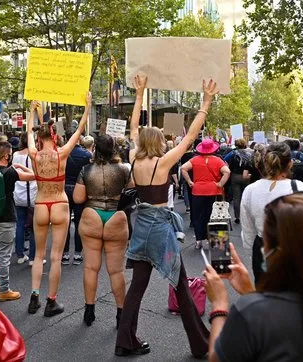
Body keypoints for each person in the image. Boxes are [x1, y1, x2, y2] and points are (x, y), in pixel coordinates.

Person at [115, 74, 217, 358]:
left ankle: (125, 340)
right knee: (181, 286)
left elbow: (134, 128)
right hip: (160, 229)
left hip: (141, 227)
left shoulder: (134, 157)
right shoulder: (163, 162)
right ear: (158, 141)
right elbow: (191, 137)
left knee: (137, 287)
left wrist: (139, 94)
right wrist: (205, 102)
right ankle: (199, 344)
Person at [204, 195, 303, 362]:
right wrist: (249, 292)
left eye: (265, 243)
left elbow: (217, 358)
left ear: (278, 251)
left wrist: (219, 305)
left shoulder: (251, 311)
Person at [26, 94, 91, 317]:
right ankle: (51, 301)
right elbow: (79, 130)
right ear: (54, 136)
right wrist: (87, 107)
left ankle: (34, 295)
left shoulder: (34, 155)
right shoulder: (62, 153)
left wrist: (31, 112)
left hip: (41, 203)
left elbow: (28, 132)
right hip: (60, 203)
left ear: (39, 138)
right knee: (56, 257)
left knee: (38, 255)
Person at [73, 134, 131, 327]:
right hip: (116, 216)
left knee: (91, 267)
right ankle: (121, 314)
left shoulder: (86, 170)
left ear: (95, 148)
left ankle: (89, 311)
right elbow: (131, 193)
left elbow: (78, 198)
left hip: (92, 216)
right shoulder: (124, 169)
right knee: (116, 271)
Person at [240, 142, 303, 284]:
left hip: (262, 249)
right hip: (294, 250)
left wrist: (253, 255)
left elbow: (248, 230)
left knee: (265, 297)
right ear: (290, 163)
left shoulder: (250, 190)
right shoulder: (302, 190)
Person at [0, 141, 35, 302]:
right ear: (6, 155)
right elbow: (34, 176)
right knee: (4, 256)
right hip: (5, 219)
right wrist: (22, 168)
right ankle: (4, 290)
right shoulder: (10, 172)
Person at [181, 139, 231, 249]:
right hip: (214, 190)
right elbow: (227, 171)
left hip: (197, 191)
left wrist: (190, 181)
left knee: (198, 216)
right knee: (215, 216)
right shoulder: (218, 160)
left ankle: (199, 240)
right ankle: (215, 240)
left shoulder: (195, 159)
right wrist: (220, 183)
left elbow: (183, 168)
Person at [63, 128, 92, 265]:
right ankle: (78, 254)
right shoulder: (86, 154)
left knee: (65, 222)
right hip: (80, 188)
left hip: (64, 188)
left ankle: (64, 253)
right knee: (80, 222)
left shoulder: (62, 153)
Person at [12, 133, 39, 265]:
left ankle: (20, 254)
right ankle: (33, 257)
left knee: (20, 224)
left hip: (19, 193)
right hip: (33, 193)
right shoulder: (35, 155)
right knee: (34, 227)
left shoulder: (15, 155)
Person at [224, 138, 251, 224]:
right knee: (246, 196)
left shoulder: (232, 153)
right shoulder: (249, 153)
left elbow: (224, 159)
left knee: (236, 197)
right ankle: (246, 216)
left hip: (235, 176)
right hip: (246, 175)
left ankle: (237, 216)